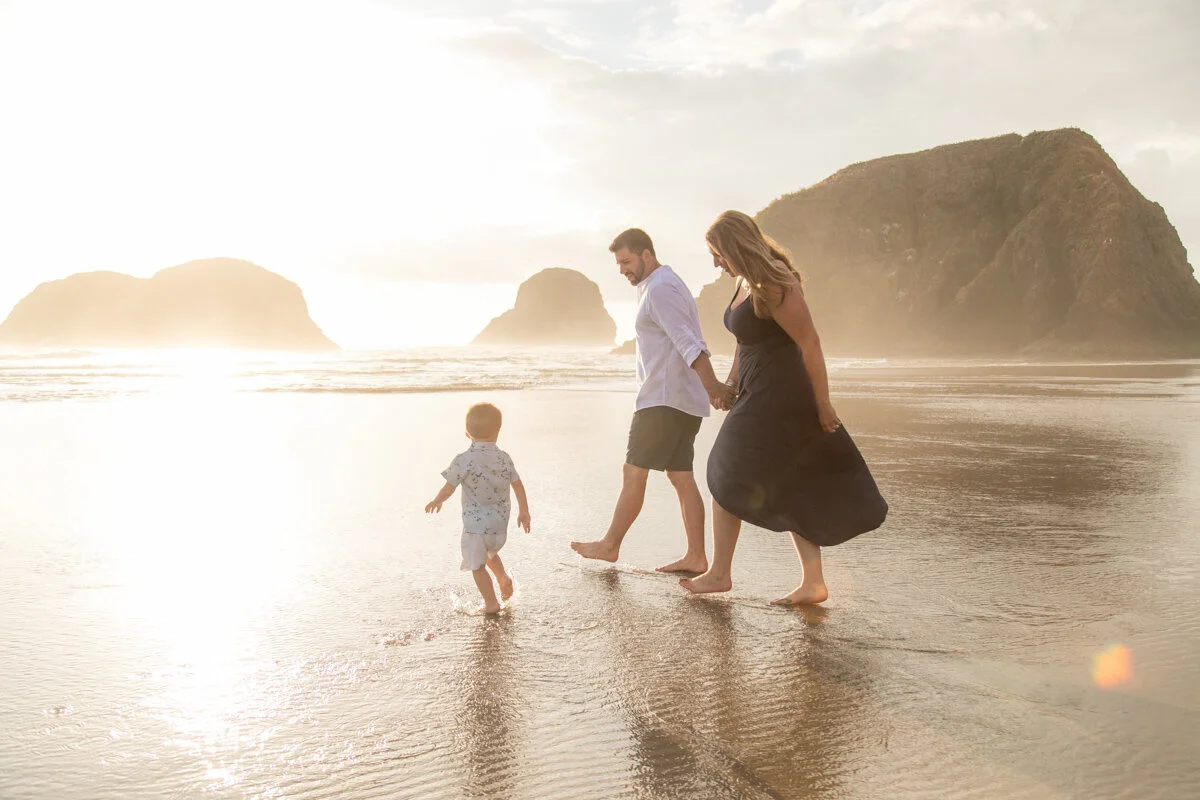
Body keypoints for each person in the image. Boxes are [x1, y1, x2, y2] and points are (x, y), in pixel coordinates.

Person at [680, 211, 888, 605]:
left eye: (717, 253)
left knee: (724, 469)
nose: (715, 263)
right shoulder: (745, 280)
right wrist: (731, 383)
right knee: (793, 481)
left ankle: (720, 573)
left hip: (784, 393)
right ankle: (813, 584)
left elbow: (810, 342)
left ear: (734, 245)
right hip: (757, 388)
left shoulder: (774, 278)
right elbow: (745, 340)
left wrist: (822, 404)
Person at [571, 228, 734, 573]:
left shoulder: (660, 289)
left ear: (647, 255)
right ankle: (696, 556)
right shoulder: (662, 285)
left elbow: (687, 341)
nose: (622, 269)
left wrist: (714, 387)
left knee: (634, 471)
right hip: (679, 399)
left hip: (662, 399)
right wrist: (707, 389)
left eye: (626, 261)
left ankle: (610, 544)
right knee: (680, 476)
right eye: (618, 263)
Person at [426, 402, 531, 614]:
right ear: (498, 431)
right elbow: (518, 484)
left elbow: (449, 487)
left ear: (467, 434)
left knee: (477, 566)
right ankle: (502, 577)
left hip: (475, 527)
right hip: (500, 528)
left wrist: (438, 500)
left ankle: (491, 603)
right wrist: (524, 511)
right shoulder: (504, 458)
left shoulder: (464, 460)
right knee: (490, 554)